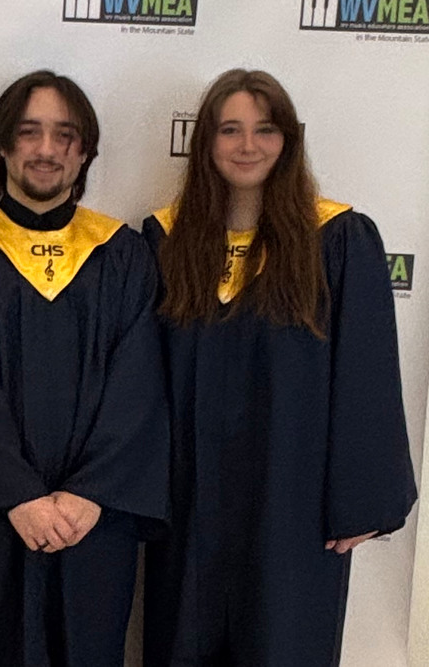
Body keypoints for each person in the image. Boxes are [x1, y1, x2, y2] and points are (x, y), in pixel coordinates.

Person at [142, 69, 417, 666]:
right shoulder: (167, 240)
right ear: (206, 143)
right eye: (230, 130)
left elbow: (366, 374)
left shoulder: (337, 238)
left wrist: (363, 498)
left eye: (265, 130)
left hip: (292, 506)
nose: (248, 146)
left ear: (288, 139)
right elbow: (143, 383)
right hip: (191, 505)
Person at [0, 70, 170, 667]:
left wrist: (90, 494)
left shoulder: (121, 253)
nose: (46, 149)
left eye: (64, 135)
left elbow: (138, 386)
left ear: (84, 149)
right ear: (5, 145)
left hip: (93, 521)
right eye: (30, 132)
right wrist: (17, 495)